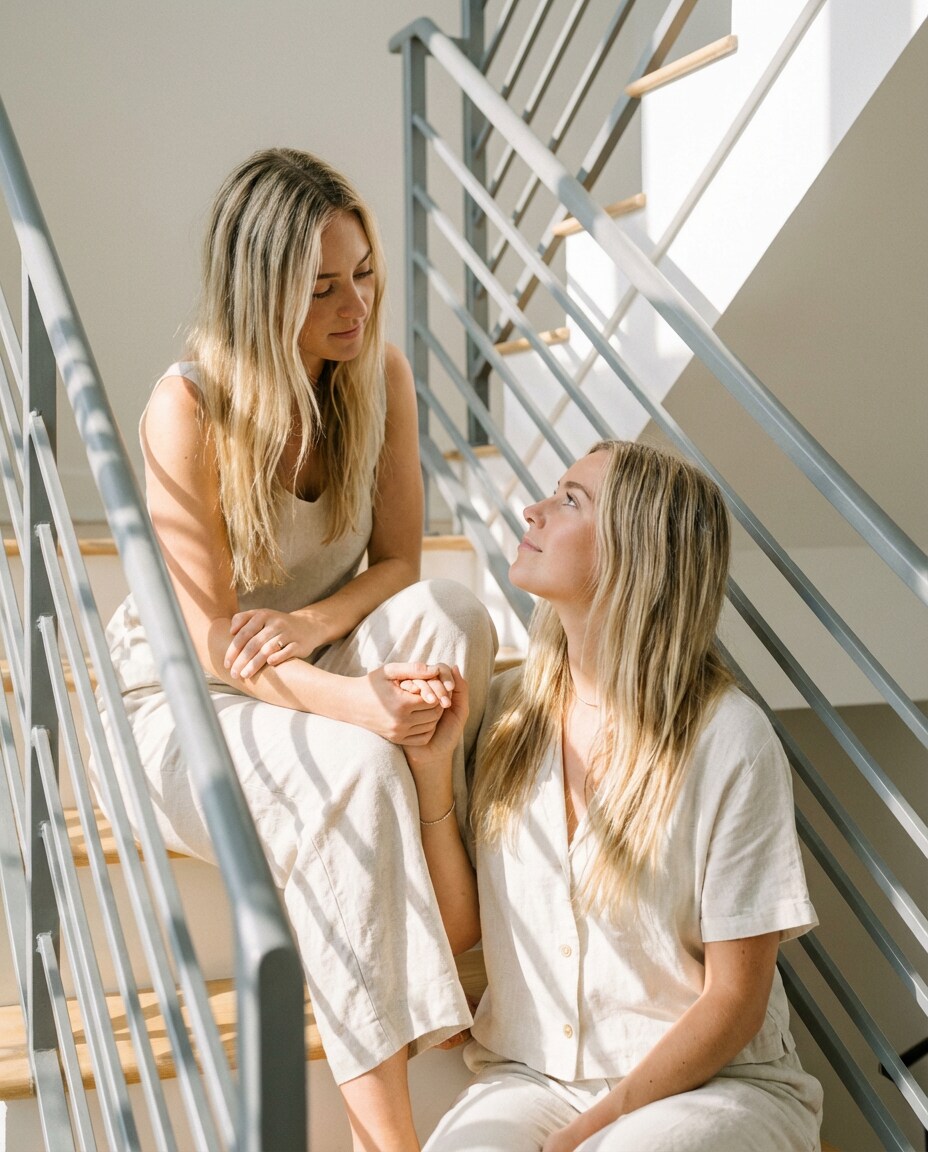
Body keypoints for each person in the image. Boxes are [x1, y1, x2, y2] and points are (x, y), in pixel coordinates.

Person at [99, 148, 496, 1151]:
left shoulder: (378, 374)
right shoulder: (185, 408)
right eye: (320, 287)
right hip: (188, 705)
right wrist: (359, 704)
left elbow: (402, 560)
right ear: (257, 292)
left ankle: (443, 854)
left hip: (308, 653)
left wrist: (320, 633)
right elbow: (214, 645)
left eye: (363, 272)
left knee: (453, 617)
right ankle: (390, 1137)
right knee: (360, 768)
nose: (355, 305)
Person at [403, 440, 823, 1152]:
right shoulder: (506, 714)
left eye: (570, 500)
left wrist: (591, 1131)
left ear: (636, 550)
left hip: (714, 1087)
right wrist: (433, 773)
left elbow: (734, 1002)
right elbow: (460, 928)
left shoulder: (730, 741)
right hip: (531, 1079)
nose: (533, 510)